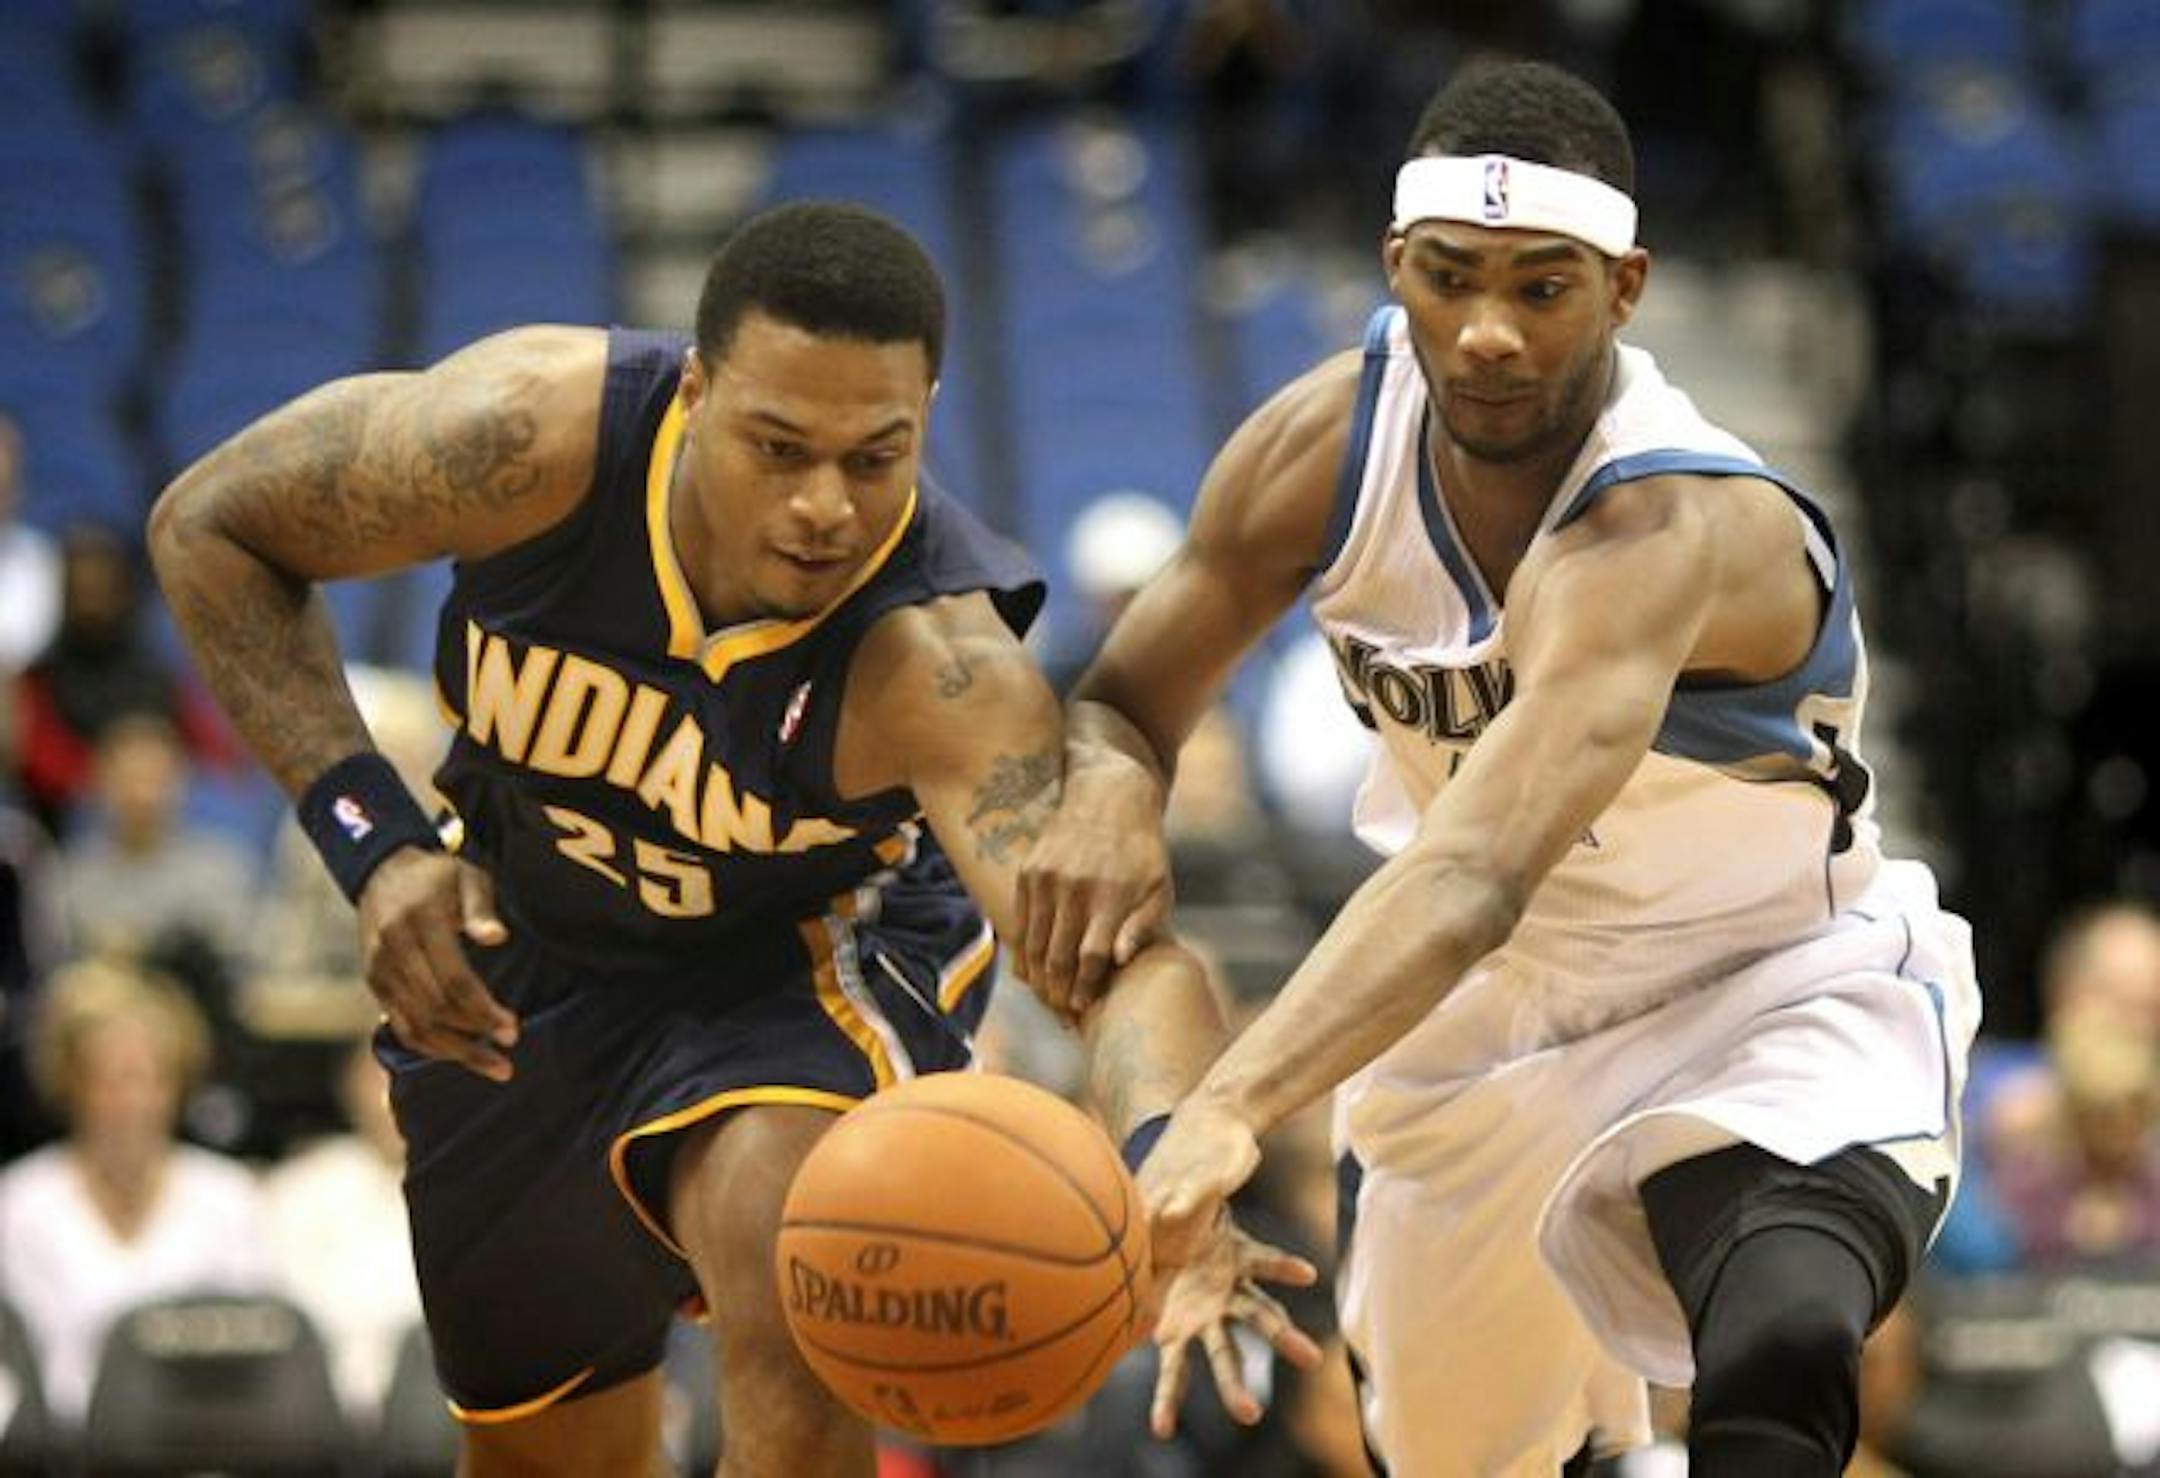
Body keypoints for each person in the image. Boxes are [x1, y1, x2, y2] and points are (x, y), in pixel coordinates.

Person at [147, 201, 1314, 1477]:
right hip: (528, 955)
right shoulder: (525, 437)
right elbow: (210, 526)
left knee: (794, 1249)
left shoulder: (935, 665)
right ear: (697, 390)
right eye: (779, 445)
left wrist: (1173, 1156)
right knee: (545, 1453)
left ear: (929, 415)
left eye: (878, 456)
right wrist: (375, 844)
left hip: (793, 969)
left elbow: (1122, 962)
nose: (826, 504)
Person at [1017, 60, 1982, 1477]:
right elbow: (1121, 703)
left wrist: (1228, 1102)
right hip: (1478, 1019)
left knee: (1778, 1347)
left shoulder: (1670, 522)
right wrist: (1106, 778)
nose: (1486, 332)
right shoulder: (1317, 452)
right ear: (1394, 264)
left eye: (1543, 287)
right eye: (1451, 278)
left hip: (1761, 979)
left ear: (1626, 288)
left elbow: (1472, 871)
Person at [0, 955, 273, 1431]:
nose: (132, 1102)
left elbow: (260, 1354)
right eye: (109, 1079)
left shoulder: (228, 1198)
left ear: (178, 1085)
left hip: (203, 1447)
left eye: (150, 1078)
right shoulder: (19, 1204)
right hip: (57, 1456)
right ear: (70, 1083)